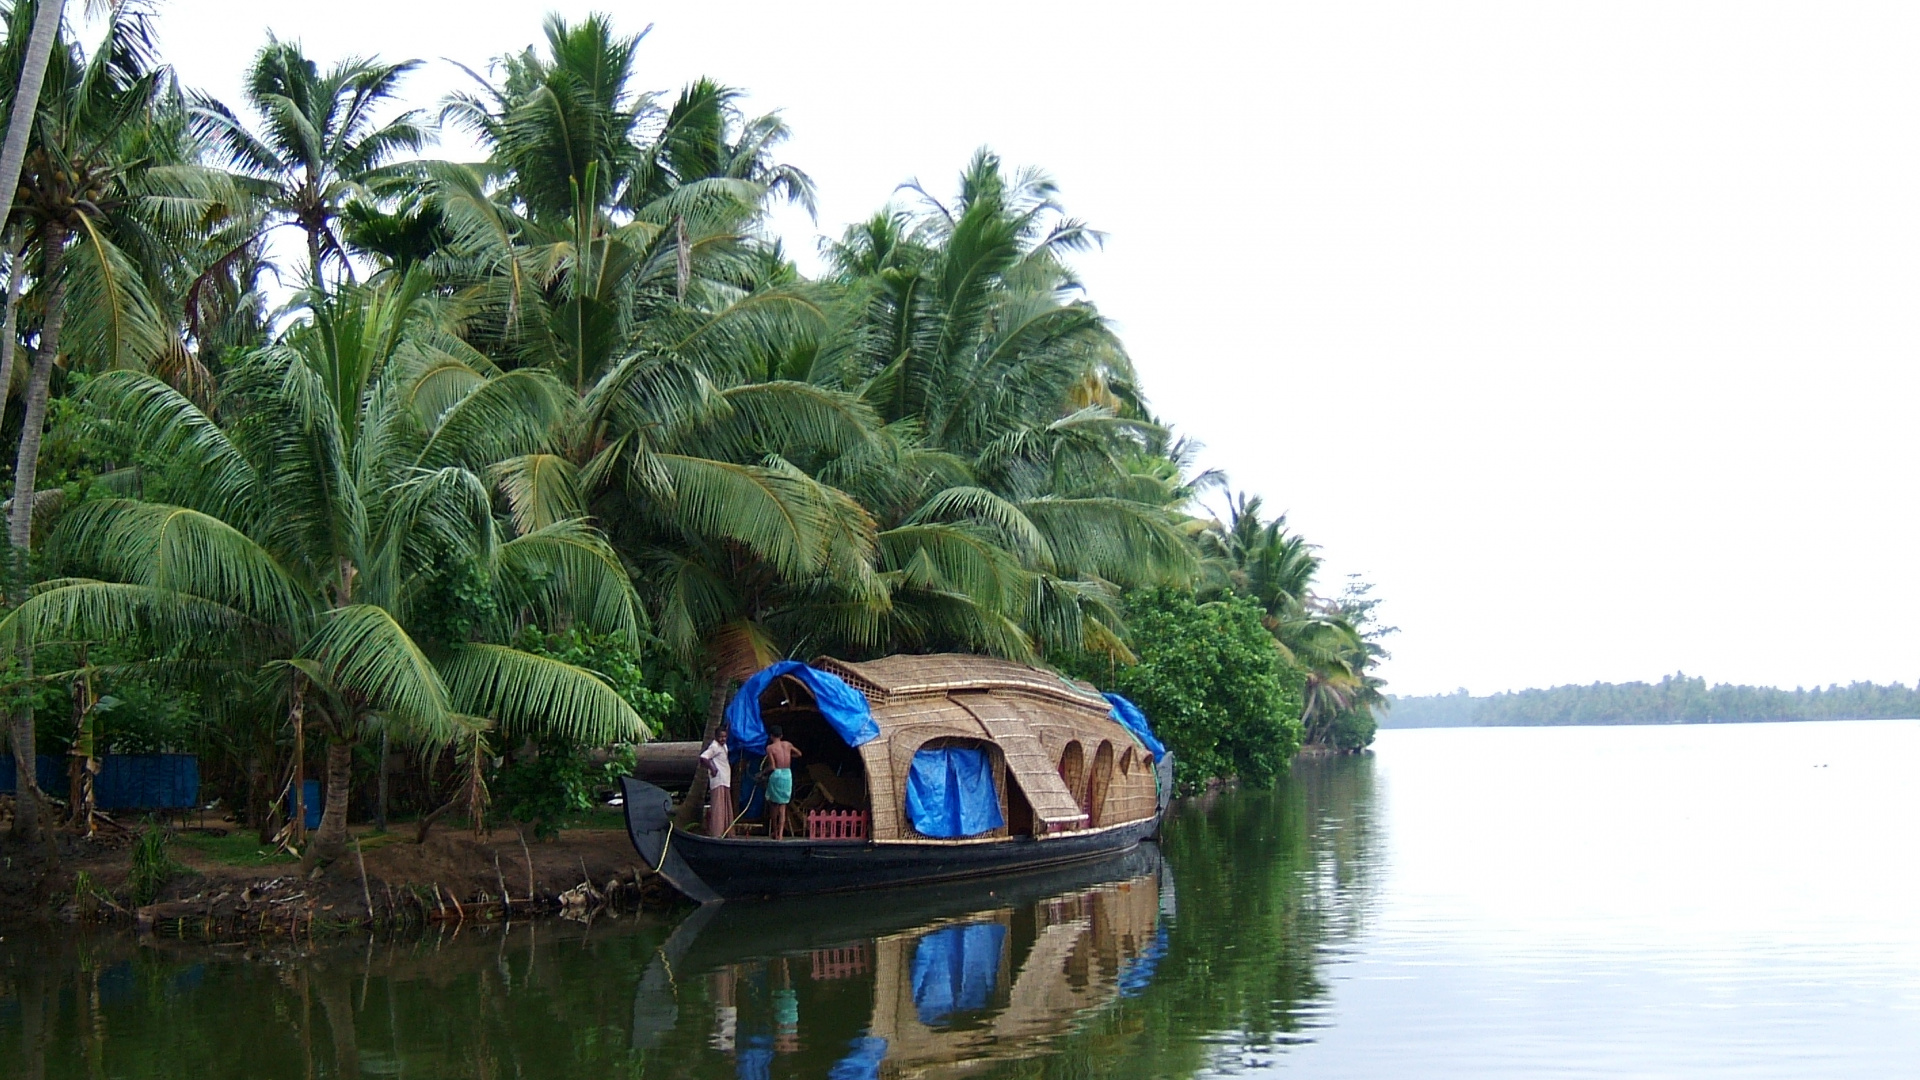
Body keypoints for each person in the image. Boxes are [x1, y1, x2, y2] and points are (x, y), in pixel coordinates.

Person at [763, 725, 803, 839]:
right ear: (781, 735)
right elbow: (799, 754)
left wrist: (762, 773)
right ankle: (780, 835)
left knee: (774, 805)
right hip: (787, 774)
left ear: (771, 736)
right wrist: (790, 755)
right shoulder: (788, 745)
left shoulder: (770, 748)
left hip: (777, 775)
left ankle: (775, 831)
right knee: (783, 806)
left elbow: (772, 767)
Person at [699, 728, 733, 837]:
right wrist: (713, 768)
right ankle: (717, 833)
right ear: (716, 737)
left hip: (725, 780)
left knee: (725, 807)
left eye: (724, 737)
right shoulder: (714, 746)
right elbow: (704, 757)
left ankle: (726, 832)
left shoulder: (724, 746)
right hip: (718, 780)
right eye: (720, 737)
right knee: (718, 807)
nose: (723, 739)